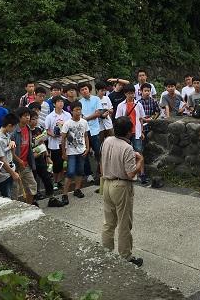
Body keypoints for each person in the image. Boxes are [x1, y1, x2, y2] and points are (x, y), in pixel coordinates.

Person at [100, 116, 144, 267]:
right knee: (124, 223)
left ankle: (105, 251)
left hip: (106, 183)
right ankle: (126, 256)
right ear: (129, 131)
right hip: (121, 186)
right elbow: (130, 173)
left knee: (109, 222)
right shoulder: (127, 148)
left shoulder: (107, 141)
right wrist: (140, 161)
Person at [60, 101, 90, 205]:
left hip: (82, 150)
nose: (78, 112)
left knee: (80, 171)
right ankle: (64, 194)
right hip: (71, 152)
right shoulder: (67, 123)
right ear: (71, 111)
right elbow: (63, 139)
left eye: (79, 109)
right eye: (76, 110)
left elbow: (86, 135)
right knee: (70, 172)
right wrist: (64, 153)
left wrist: (87, 148)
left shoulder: (84, 122)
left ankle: (77, 189)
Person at [12, 107, 38, 205]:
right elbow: (10, 151)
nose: (28, 118)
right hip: (15, 165)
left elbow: (28, 146)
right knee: (15, 191)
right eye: (25, 116)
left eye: (28, 116)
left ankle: (29, 206)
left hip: (26, 163)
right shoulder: (14, 131)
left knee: (32, 186)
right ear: (19, 117)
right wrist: (19, 161)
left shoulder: (28, 128)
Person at [78, 82, 102, 183]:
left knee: (98, 152)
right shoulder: (79, 102)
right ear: (80, 92)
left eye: (85, 89)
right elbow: (79, 116)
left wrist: (85, 118)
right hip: (84, 131)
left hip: (95, 130)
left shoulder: (96, 99)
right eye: (82, 90)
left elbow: (98, 113)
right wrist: (85, 119)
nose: (84, 91)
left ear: (89, 90)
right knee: (85, 153)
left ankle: (100, 172)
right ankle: (88, 174)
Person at [0, 113, 20, 199]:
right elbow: (1, 160)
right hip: (4, 174)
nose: (14, 129)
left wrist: (12, 142)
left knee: (14, 196)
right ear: (9, 125)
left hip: (10, 169)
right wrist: (13, 173)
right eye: (14, 127)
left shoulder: (6, 134)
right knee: (7, 198)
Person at [45, 96, 71, 188]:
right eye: (58, 102)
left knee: (64, 163)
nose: (61, 103)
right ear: (54, 104)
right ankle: (55, 181)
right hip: (55, 143)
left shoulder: (67, 115)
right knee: (56, 164)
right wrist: (53, 135)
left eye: (62, 101)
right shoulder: (49, 117)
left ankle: (60, 180)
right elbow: (46, 130)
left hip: (66, 142)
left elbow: (71, 126)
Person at [29, 110, 54, 200]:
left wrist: (47, 156)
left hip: (41, 157)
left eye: (37, 119)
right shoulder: (26, 131)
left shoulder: (38, 129)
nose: (35, 121)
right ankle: (35, 196)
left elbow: (43, 143)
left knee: (46, 177)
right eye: (33, 119)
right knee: (34, 178)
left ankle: (51, 196)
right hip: (32, 159)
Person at [116, 85, 145, 154]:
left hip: (136, 131)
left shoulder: (138, 104)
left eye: (132, 93)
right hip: (125, 132)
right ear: (125, 94)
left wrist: (141, 131)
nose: (131, 95)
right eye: (129, 93)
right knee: (125, 151)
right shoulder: (120, 105)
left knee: (138, 150)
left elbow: (141, 119)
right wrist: (125, 116)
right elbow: (118, 120)